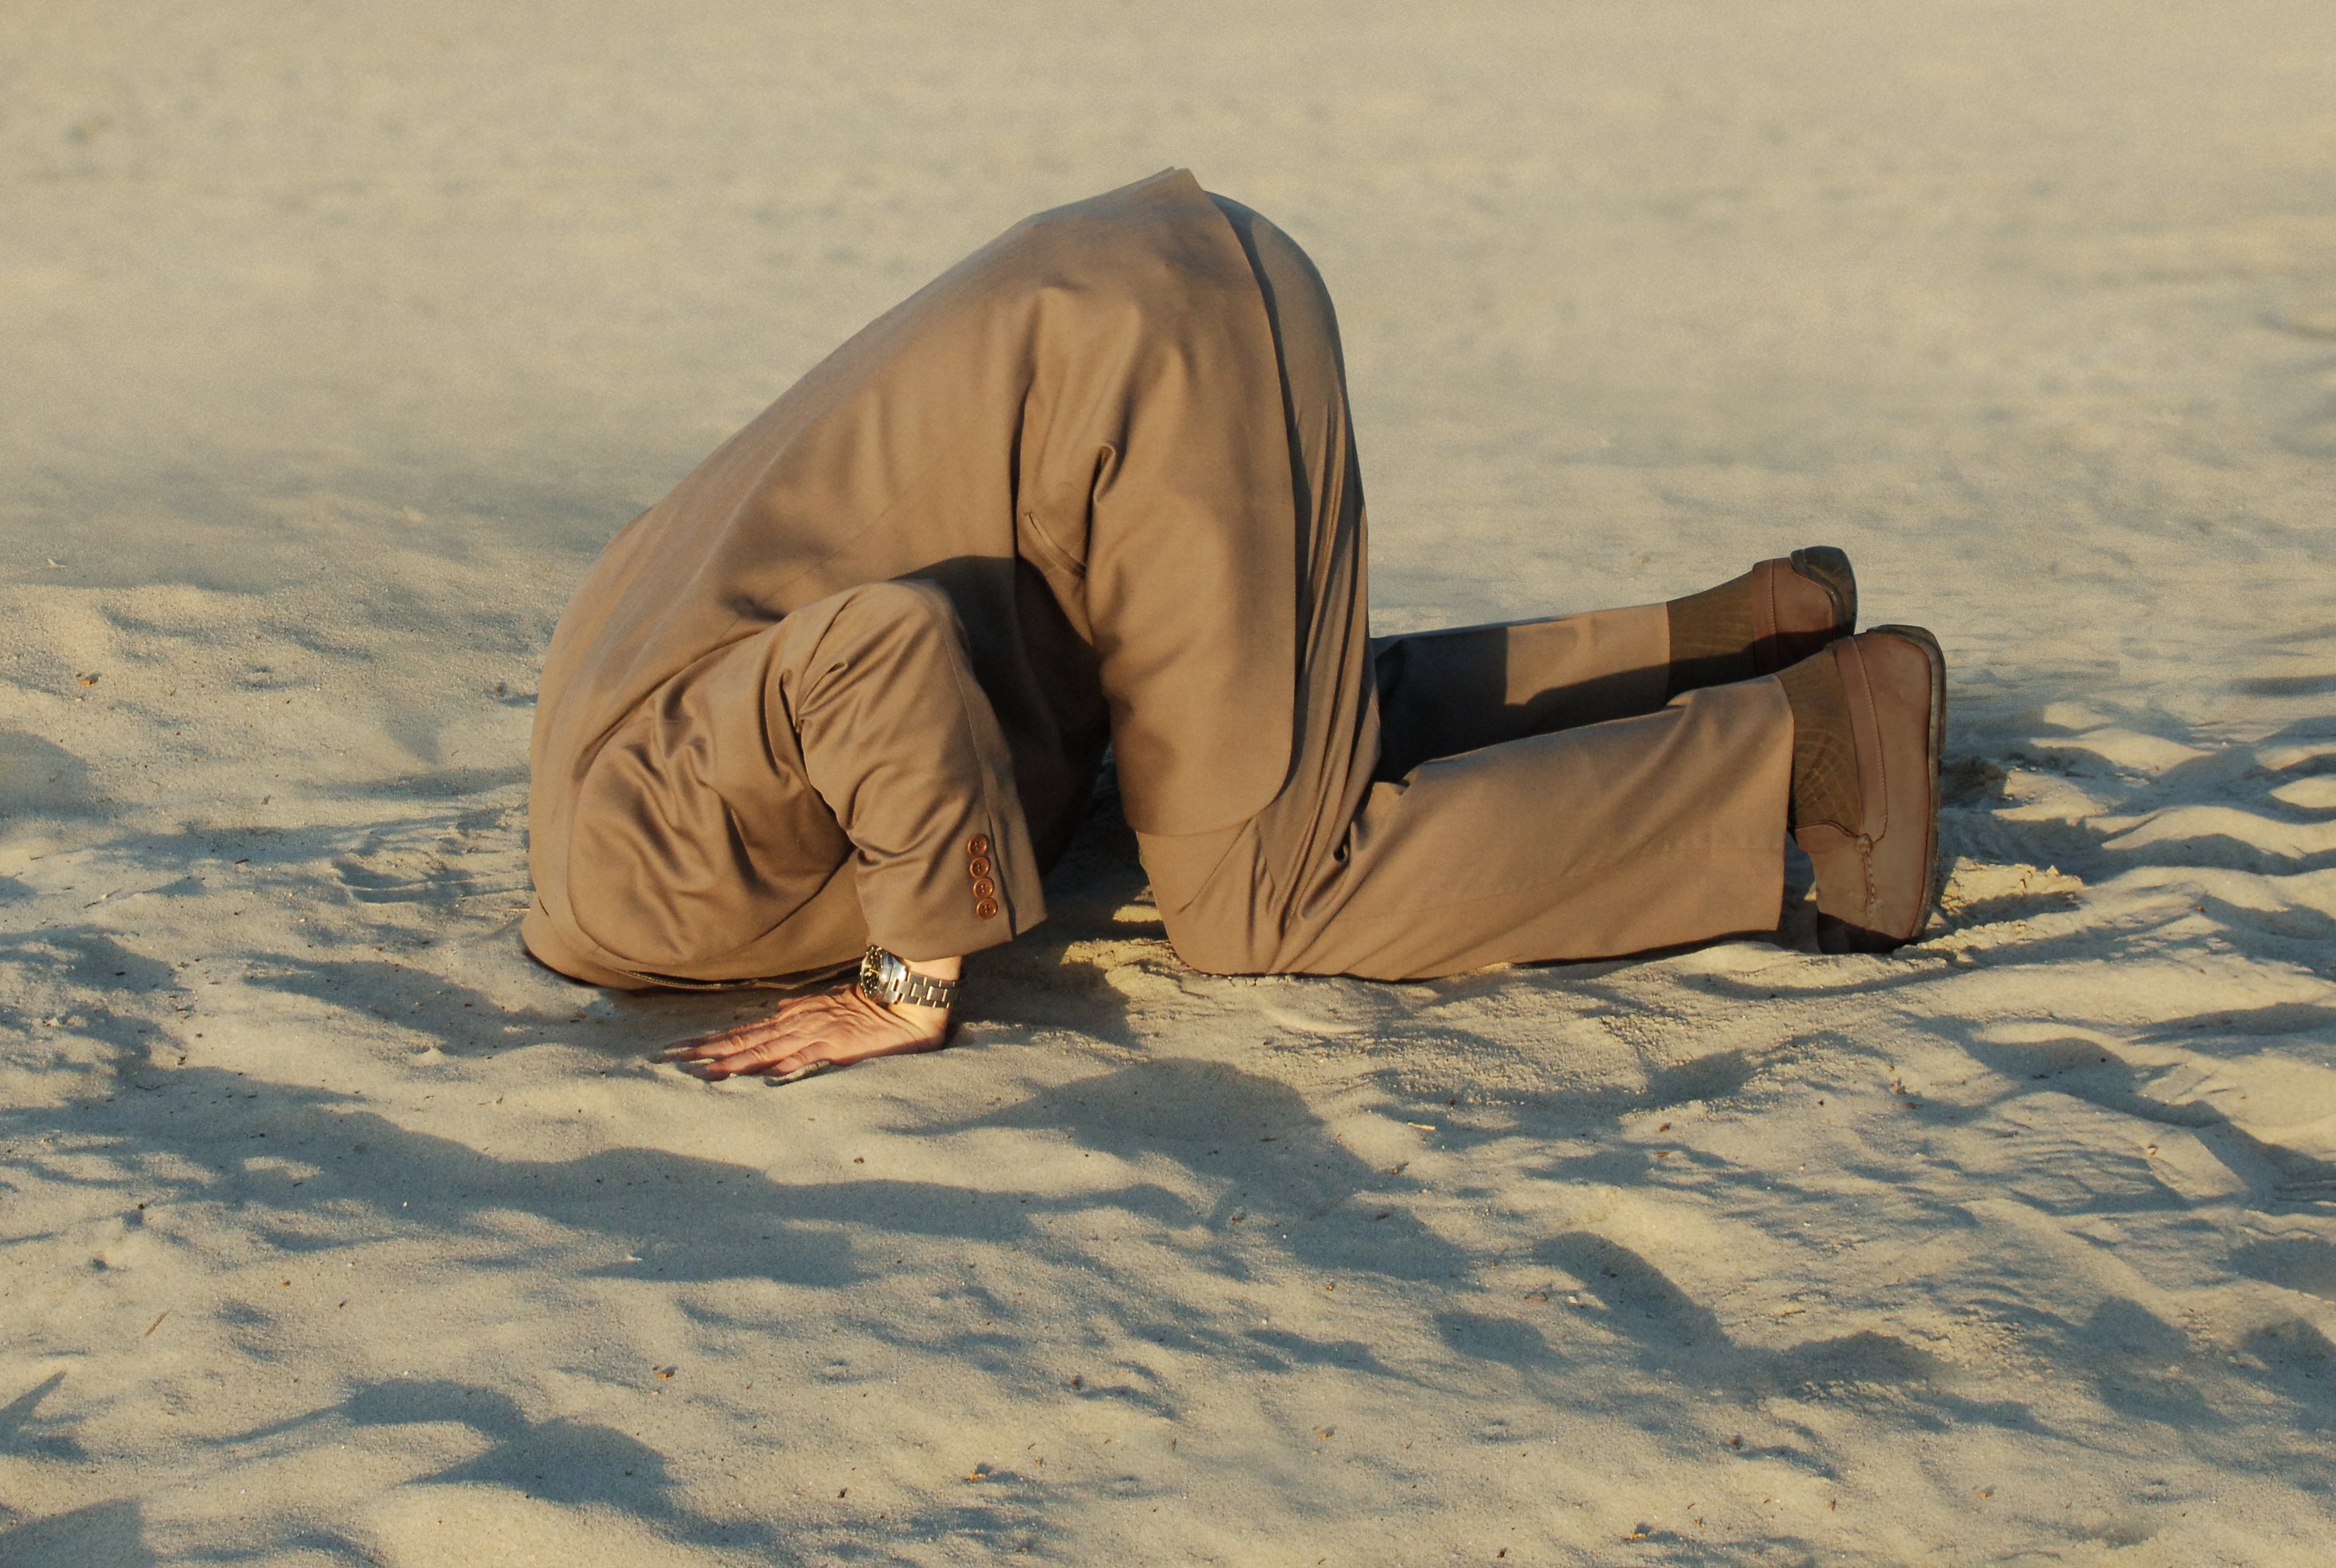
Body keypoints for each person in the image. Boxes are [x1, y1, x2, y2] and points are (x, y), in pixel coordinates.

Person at [520, 170, 1945, 1085]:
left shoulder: (644, 879)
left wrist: (907, 980)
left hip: (1137, 373)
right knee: (1261, 753)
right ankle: (1742, 646)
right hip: (1122, 313)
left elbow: (875, 652)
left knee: (1261, 890)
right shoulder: (613, 792)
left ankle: (1813, 758)